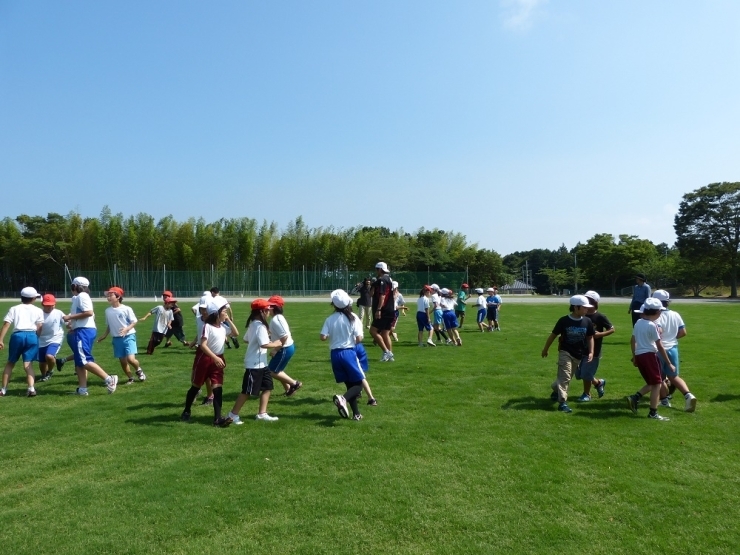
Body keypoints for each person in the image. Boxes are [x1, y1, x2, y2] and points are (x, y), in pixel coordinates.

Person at [222, 299, 282, 426]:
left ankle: (262, 414)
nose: (268, 312)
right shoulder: (259, 326)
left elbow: (246, 339)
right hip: (254, 364)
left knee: (268, 387)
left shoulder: (254, 324)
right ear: (261, 311)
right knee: (247, 391)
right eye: (266, 310)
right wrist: (276, 343)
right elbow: (264, 344)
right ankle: (232, 415)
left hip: (262, 363)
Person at [181, 296, 239, 426]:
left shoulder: (223, 327)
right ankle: (186, 410)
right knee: (195, 387)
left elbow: (236, 333)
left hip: (218, 359)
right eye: (224, 311)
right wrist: (215, 357)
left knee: (217, 388)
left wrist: (228, 319)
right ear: (216, 313)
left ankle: (217, 419)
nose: (226, 313)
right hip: (205, 358)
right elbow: (203, 345)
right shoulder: (207, 326)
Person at [63, 276, 118, 395]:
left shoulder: (82, 296)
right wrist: (72, 324)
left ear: (75, 286)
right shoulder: (78, 297)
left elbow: (89, 313)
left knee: (84, 360)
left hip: (84, 331)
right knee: (79, 362)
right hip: (81, 330)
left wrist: (70, 318)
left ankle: (109, 379)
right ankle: (82, 389)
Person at [541, 295, 595, 413]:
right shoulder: (564, 321)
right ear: (576, 308)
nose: (587, 310)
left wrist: (591, 352)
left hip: (578, 354)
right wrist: (546, 349)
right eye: (585, 308)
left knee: (566, 378)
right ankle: (562, 403)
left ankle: (556, 389)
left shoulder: (587, 321)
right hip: (565, 352)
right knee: (565, 377)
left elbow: (590, 337)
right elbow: (553, 335)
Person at [321, 289, 368, 421]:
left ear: (334, 305)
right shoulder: (353, 318)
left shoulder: (330, 319)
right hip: (348, 352)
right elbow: (359, 338)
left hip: (335, 354)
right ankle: (343, 399)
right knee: (359, 384)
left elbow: (323, 337)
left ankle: (356, 414)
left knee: (349, 384)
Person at [626, 298, 675, 420]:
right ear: (657, 312)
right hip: (650, 356)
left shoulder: (638, 323)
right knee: (657, 384)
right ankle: (653, 412)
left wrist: (635, 356)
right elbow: (659, 345)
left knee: (653, 383)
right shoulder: (652, 326)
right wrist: (669, 363)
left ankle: (635, 398)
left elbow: (633, 340)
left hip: (640, 355)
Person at [652, 290, 696, 412]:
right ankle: (688, 395)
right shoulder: (675, 314)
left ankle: (664, 400)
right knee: (673, 376)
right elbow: (683, 332)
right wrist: (671, 338)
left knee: (659, 378)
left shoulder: (655, 317)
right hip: (673, 348)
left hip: (658, 349)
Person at [97, 287, 146, 385]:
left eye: (111, 295)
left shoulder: (126, 309)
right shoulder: (108, 311)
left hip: (129, 336)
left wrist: (126, 329)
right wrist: (104, 335)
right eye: (108, 295)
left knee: (130, 359)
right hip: (116, 338)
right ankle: (130, 378)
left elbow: (134, 321)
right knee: (123, 361)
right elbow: (109, 325)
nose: (108, 297)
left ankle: (138, 370)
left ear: (118, 297)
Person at [0, 287, 43, 397]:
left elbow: (6, 324)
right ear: (33, 298)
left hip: (17, 336)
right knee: (28, 364)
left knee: (10, 363)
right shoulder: (38, 310)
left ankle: (3, 389)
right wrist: (36, 337)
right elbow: (40, 327)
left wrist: (0, 339)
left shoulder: (14, 308)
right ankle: (31, 388)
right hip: (32, 335)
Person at [575, 291, 614, 402]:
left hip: (594, 350)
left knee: (586, 373)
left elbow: (612, 329)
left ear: (595, 302)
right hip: (579, 348)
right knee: (579, 374)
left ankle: (587, 394)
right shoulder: (582, 315)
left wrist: (600, 334)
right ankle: (598, 383)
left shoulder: (600, 316)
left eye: (589, 300)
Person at [265, 295, 303, 397]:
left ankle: (294, 383)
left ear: (273, 307)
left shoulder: (277, 319)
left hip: (284, 348)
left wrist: (275, 350)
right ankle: (289, 390)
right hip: (285, 347)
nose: (267, 308)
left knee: (271, 371)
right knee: (278, 370)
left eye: (269, 306)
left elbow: (284, 336)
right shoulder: (277, 318)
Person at [369, 262, 395, 362]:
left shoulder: (382, 280)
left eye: (376, 269)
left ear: (380, 269)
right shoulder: (388, 279)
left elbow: (382, 296)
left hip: (383, 310)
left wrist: (379, 309)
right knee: (385, 333)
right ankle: (390, 355)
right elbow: (371, 294)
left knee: (373, 331)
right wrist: (373, 285)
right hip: (390, 310)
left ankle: (386, 352)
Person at [37, 294, 65, 382]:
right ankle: (43, 375)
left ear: (55, 304)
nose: (50, 307)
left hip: (55, 338)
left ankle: (50, 371)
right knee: (42, 362)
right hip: (41, 340)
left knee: (49, 356)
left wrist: (71, 326)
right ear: (43, 304)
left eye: (52, 305)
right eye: (47, 305)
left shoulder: (58, 312)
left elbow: (67, 322)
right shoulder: (38, 314)